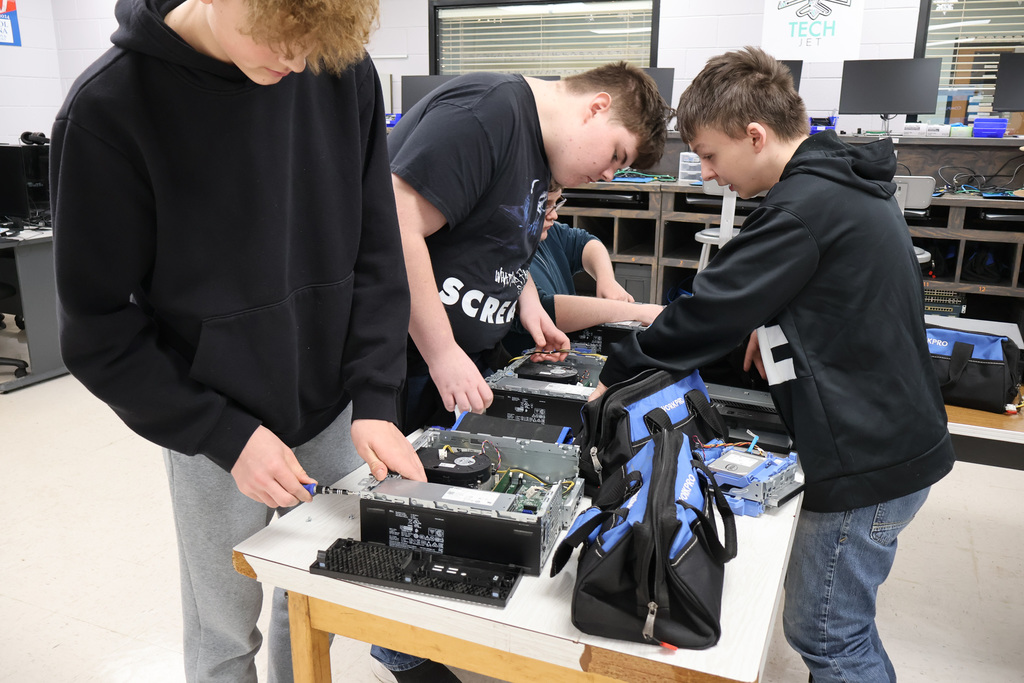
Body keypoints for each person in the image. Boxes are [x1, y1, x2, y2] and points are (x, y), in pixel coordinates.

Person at [49, 0, 424, 681]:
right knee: (223, 630)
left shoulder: (338, 66)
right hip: (210, 423)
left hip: (335, 407)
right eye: (283, 38)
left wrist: (375, 393)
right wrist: (221, 434)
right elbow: (97, 332)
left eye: (316, 46)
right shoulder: (110, 109)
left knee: (307, 601)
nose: (299, 63)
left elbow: (376, 249)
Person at [590, 47, 955, 683]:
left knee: (828, 634)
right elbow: (835, 294)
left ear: (754, 136)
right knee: (834, 628)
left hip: (868, 458)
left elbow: (707, 312)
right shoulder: (840, 185)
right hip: (899, 433)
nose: (705, 174)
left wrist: (613, 374)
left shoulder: (800, 210)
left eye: (708, 155)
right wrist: (775, 319)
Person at [376, 64, 670, 681]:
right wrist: (440, 350)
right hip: (400, 359)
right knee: (398, 514)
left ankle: (435, 634)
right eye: (615, 155)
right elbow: (395, 221)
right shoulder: (487, 114)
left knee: (452, 508)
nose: (609, 174)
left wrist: (526, 303)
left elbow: (508, 238)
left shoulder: (541, 148)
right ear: (596, 105)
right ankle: (398, 651)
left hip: (453, 363)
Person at [502, 183, 664, 357]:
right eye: (546, 205)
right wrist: (637, 312)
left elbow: (585, 242)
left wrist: (606, 279)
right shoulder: (501, 255)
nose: (554, 214)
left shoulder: (547, 235)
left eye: (556, 203)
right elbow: (545, 309)